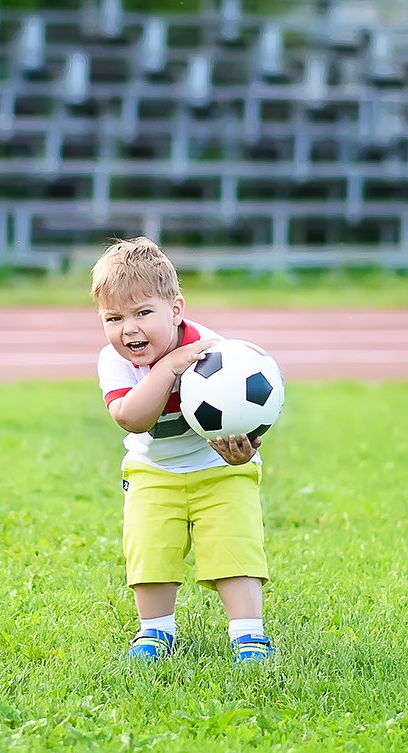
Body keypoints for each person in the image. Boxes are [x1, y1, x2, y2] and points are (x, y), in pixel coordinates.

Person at [91, 236, 274, 664]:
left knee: (235, 547)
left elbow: (244, 417)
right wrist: (168, 367)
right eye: (113, 317)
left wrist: (243, 451)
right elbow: (131, 417)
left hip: (219, 468)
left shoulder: (217, 353)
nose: (129, 328)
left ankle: (249, 634)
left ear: (176, 310)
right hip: (153, 473)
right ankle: (155, 632)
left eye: (143, 313)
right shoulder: (114, 362)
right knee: (150, 551)